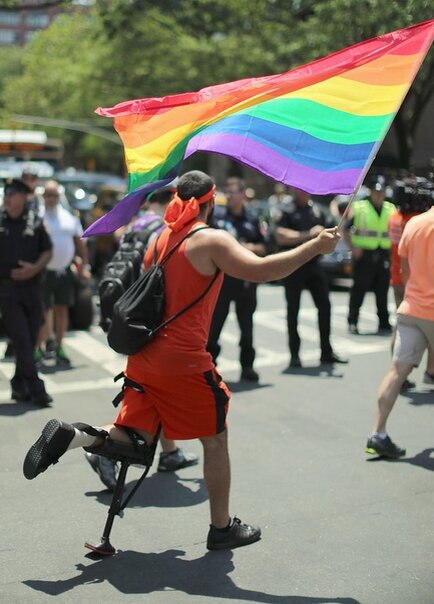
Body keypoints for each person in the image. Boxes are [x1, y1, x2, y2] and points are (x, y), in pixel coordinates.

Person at [23, 170, 341, 551]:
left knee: (134, 438)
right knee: (216, 439)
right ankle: (221, 528)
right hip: (184, 362)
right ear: (209, 202)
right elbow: (262, 271)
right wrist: (314, 247)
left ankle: (76, 436)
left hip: (145, 357)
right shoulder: (210, 240)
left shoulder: (162, 237)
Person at [86, 181, 199, 490]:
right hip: (148, 319)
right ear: (173, 199)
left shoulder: (136, 223)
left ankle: (170, 452)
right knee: (146, 389)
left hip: (126, 314)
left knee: (155, 388)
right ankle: (104, 448)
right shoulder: (162, 228)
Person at [365, 201, 434, 458]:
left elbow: (404, 271)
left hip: (412, 308)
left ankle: (377, 433)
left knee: (396, 372)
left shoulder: (414, 224)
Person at [274, 187, 347, 368]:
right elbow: (280, 236)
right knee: (293, 310)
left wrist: (330, 232)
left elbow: (333, 229)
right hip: (293, 267)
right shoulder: (285, 210)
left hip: (314, 265)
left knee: (325, 306)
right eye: (299, 189)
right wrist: (310, 235)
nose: (303, 193)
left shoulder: (317, 210)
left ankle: (326, 351)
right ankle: (295, 354)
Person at [207, 177, 267, 382]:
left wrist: (244, 248)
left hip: (246, 282)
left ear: (243, 194)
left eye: (234, 192)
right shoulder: (217, 218)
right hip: (222, 281)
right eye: (228, 193)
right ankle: (209, 367)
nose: (230, 197)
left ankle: (247, 366)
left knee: (246, 327)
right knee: (214, 326)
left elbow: (264, 247)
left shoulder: (252, 219)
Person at [0, 177, 53, 406]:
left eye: (12, 194)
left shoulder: (35, 221)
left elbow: (47, 251)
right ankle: (36, 388)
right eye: (6, 194)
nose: (7, 198)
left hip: (32, 290)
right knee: (21, 339)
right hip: (8, 292)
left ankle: (18, 384)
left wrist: (35, 268)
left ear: (23, 197)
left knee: (30, 341)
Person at [36, 180, 91, 367]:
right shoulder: (37, 217)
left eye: (54, 195)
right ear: (43, 197)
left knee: (61, 309)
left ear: (58, 197)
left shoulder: (69, 218)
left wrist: (84, 265)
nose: (51, 198)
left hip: (64, 271)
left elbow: (79, 243)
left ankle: (59, 346)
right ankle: (39, 347)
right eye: (48, 195)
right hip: (42, 272)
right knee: (43, 311)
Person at [388, 178, 434, 390]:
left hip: (397, 277)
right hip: (414, 281)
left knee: (400, 327)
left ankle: (397, 368)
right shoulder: (415, 221)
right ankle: (429, 371)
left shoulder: (393, 219)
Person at [344, 177, 396, 335]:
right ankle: (353, 321)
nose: (379, 195)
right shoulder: (359, 207)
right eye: (376, 192)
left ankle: (384, 322)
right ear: (371, 192)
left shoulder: (391, 208)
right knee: (358, 290)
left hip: (383, 255)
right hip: (364, 255)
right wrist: (353, 248)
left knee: (382, 291)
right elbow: (345, 229)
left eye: (382, 192)